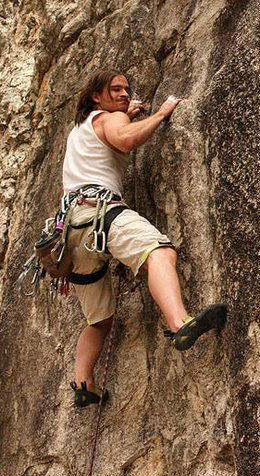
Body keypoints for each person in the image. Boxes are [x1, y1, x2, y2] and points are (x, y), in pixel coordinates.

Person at [62, 69, 226, 407]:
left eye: (127, 90)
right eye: (115, 89)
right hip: (100, 215)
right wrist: (161, 114)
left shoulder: (79, 130)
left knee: (100, 320)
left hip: (72, 233)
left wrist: (128, 117)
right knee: (160, 253)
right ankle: (180, 323)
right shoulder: (107, 117)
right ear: (97, 96)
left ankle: (84, 383)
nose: (124, 95)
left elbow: (112, 138)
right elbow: (124, 138)